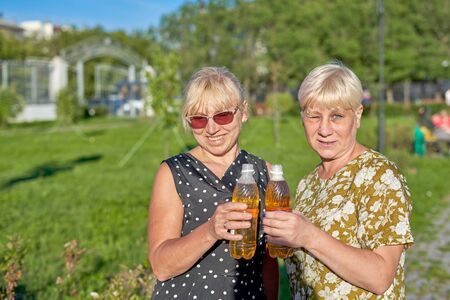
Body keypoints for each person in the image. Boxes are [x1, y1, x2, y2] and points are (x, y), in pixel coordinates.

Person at [263, 62, 414, 299]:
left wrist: (308, 235)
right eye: (314, 116)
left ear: (358, 115)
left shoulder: (378, 175)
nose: (324, 129)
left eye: (336, 116)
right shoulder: (308, 183)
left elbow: (380, 276)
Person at [148, 66, 278, 299]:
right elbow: (161, 265)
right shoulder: (173, 172)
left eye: (222, 115)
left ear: (244, 112)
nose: (211, 128)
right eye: (199, 119)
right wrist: (210, 231)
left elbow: (268, 264)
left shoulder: (265, 173)